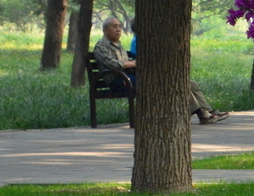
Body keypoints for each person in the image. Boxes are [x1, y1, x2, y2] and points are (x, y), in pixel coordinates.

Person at [93, 17, 229, 125]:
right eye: (114, 27)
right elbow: (112, 64)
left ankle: (208, 111)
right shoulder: (101, 46)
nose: (118, 30)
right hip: (119, 81)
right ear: (105, 30)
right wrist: (134, 63)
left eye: (119, 27)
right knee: (167, 82)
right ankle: (200, 114)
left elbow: (129, 63)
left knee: (189, 83)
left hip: (129, 77)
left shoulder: (119, 45)